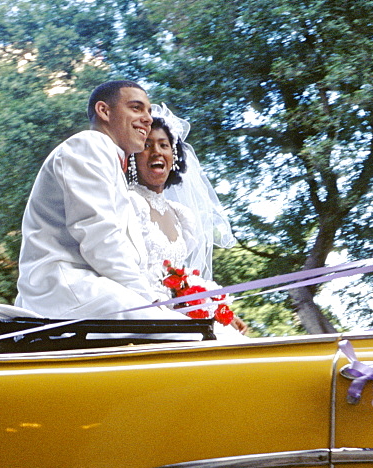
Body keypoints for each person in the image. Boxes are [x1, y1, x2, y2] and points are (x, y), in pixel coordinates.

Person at [15, 80, 182, 320]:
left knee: (199, 331)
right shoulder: (88, 146)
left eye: (148, 111)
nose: (147, 118)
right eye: (136, 108)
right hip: (66, 288)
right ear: (104, 111)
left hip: (95, 287)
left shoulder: (109, 159)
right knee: (188, 336)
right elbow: (100, 238)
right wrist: (150, 300)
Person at [127, 105, 246, 333]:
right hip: (143, 312)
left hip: (176, 314)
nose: (156, 152)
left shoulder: (182, 216)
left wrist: (218, 309)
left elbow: (183, 278)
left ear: (174, 157)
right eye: (147, 145)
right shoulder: (130, 202)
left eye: (164, 145)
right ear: (133, 157)